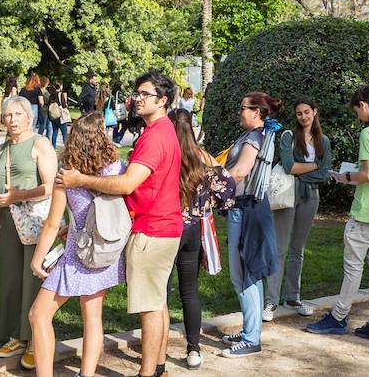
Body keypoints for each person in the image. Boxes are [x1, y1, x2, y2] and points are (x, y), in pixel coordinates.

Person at [57, 72, 183, 374]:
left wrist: (79, 179)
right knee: (158, 301)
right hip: (165, 227)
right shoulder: (164, 131)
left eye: (144, 94)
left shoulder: (155, 136)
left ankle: (147, 371)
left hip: (151, 229)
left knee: (149, 307)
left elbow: (127, 184)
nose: (136, 98)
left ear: (162, 100)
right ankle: (159, 365)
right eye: (136, 93)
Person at [306, 86, 369, 344]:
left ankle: (338, 317)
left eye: (356, 112)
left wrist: (344, 177)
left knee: (353, 268)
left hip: (366, 211)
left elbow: (368, 174)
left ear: (363, 105)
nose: (357, 117)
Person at [29, 113, 125, 377]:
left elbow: (50, 223)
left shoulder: (66, 177)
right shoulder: (115, 169)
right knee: (93, 317)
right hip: (106, 249)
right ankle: (87, 374)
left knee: (38, 315)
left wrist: (38, 258)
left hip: (77, 253)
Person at [210, 89, 278, 357]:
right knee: (249, 273)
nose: (240, 112)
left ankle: (251, 339)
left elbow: (240, 171)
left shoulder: (253, 138)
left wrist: (212, 188)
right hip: (250, 208)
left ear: (256, 112)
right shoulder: (256, 135)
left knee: (244, 274)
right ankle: (251, 330)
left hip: (245, 209)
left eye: (243, 108)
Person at [0, 96, 59, 365]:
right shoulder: (3, 149)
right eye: (8, 115)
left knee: (32, 278)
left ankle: (33, 339)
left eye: (18, 114)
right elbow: (0, 192)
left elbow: (51, 186)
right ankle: (16, 337)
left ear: (29, 117)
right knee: (9, 278)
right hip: (8, 221)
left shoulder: (39, 143)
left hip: (34, 220)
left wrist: (19, 196)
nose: (13, 119)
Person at [167, 108, 233, 370]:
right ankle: (194, 348)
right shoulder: (203, 157)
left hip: (167, 228)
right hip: (194, 229)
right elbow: (227, 186)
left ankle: (155, 348)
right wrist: (209, 204)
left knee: (160, 291)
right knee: (189, 291)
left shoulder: (167, 155)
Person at [264, 97, 332, 321]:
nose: (303, 116)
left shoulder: (324, 141)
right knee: (279, 248)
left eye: (306, 112)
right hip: (287, 195)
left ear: (315, 112)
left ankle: (292, 296)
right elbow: (288, 166)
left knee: (298, 249)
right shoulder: (288, 136)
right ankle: (270, 301)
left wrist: (304, 169)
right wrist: (313, 166)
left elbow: (325, 174)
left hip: (310, 196)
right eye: (299, 113)